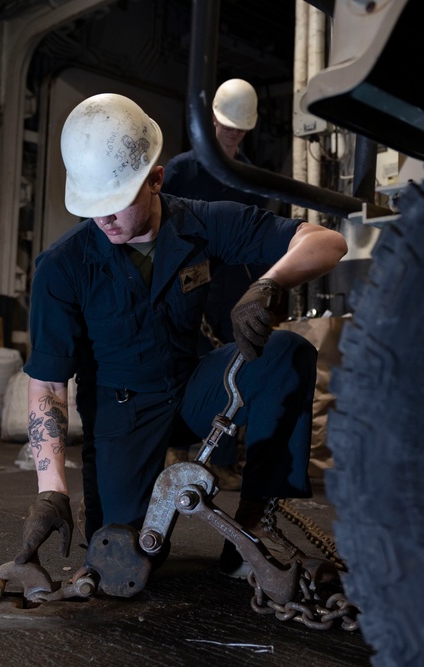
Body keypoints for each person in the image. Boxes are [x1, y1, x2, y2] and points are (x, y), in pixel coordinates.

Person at [5, 93, 347, 582]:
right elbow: (49, 386)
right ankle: (118, 512)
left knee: (286, 351)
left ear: (156, 179)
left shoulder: (198, 222)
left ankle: (254, 523)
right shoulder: (62, 269)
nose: (105, 220)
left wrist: (270, 283)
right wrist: (51, 490)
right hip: (123, 414)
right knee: (123, 561)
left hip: (193, 389)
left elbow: (327, 242)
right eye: (93, 207)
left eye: (117, 203)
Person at [162, 78, 270, 487]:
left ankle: (221, 459)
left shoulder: (251, 179)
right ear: (212, 121)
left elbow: (261, 240)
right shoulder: (181, 171)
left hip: (233, 286)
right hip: (186, 281)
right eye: (228, 125)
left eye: (241, 128)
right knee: (178, 363)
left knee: (235, 366)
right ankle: (174, 446)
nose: (234, 133)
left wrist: (263, 287)